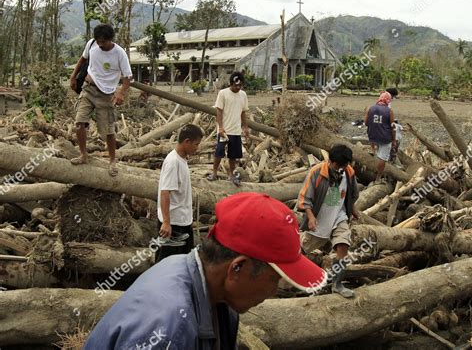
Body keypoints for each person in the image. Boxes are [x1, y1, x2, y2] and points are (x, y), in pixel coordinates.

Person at [84, 192, 327, 349]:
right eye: (275, 279)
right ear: (237, 268)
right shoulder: (168, 331)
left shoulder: (205, 284)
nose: (273, 292)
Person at [69, 24, 133, 177]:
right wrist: (73, 76)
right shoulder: (91, 45)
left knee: (108, 131)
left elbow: (127, 78)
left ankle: (112, 160)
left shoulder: (120, 54)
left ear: (110, 40)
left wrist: (120, 93)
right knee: (79, 122)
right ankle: (83, 155)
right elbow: (82, 60)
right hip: (88, 89)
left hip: (106, 95)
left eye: (103, 42)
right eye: (98, 41)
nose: (100, 44)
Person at [298, 144, 359, 298]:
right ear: (331, 161)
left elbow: (352, 194)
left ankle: (337, 285)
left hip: (339, 216)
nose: (341, 169)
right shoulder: (317, 173)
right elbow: (305, 198)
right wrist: (311, 218)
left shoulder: (349, 172)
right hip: (320, 219)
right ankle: (292, 280)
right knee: (300, 251)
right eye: (339, 166)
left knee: (343, 247)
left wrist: (353, 210)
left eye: (344, 165)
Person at [157, 124, 203, 262]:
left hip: (182, 221)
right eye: (196, 144)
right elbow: (165, 192)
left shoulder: (181, 159)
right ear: (186, 142)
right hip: (174, 224)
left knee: (182, 261)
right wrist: (166, 222)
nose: (197, 148)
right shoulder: (173, 162)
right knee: (167, 263)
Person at [207, 71, 249, 185]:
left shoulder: (243, 95)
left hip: (236, 130)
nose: (238, 87)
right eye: (236, 85)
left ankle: (231, 174)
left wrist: (245, 127)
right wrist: (220, 127)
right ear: (231, 84)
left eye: (240, 85)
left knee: (233, 155)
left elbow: (243, 112)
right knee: (219, 152)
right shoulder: (223, 93)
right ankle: (214, 172)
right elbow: (219, 111)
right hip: (224, 130)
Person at [364, 91, 396, 183]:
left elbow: (366, 123)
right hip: (385, 138)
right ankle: (378, 179)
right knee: (383, 158)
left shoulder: (370, 108)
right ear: (388, 100)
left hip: (372, 136)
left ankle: (373, 151)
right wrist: (393, 139)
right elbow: (393, 127)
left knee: (378, 153)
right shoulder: (390, 111)